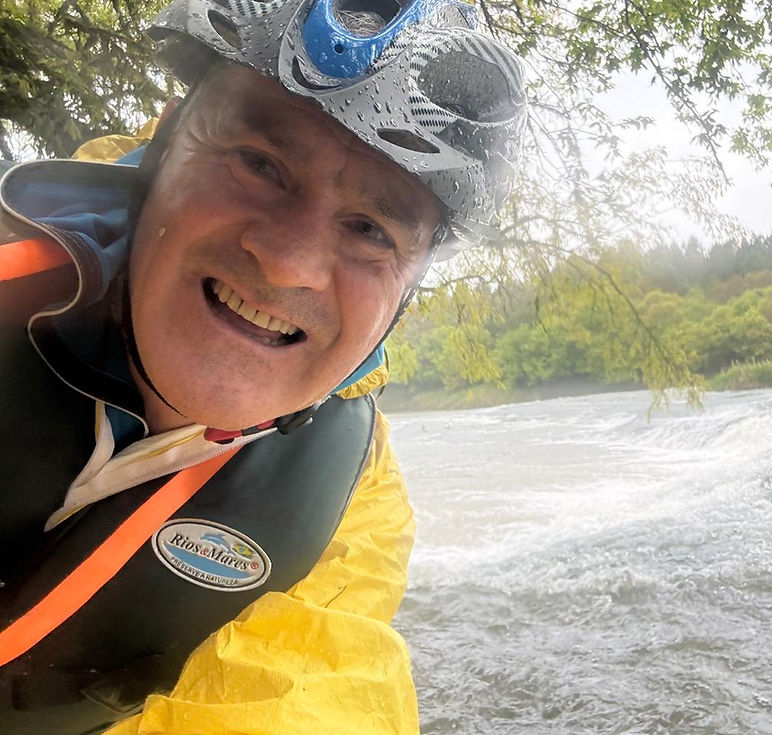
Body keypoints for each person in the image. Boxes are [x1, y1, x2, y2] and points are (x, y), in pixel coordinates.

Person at [0, 0, 526, 731]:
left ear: (406, 292)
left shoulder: (350, 502)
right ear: (164, 143)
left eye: (370, 229)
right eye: (258, 163)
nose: (288, 262)